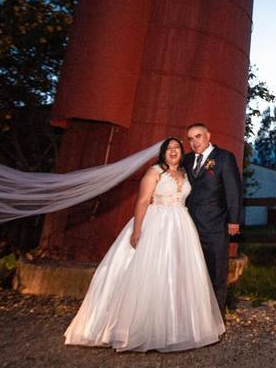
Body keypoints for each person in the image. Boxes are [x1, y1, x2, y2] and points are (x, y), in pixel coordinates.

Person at [64, 137, 224, 352]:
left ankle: (177, 329)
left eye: (177, 148)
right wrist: (137, 230)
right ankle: (136, 330)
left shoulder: (185, 173)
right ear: (162, 153)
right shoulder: (154, 172)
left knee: (178, 275)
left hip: (181, 225)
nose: (173, 151)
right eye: (169, 149)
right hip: (157, 222)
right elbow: (142, 201)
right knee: (151, 272)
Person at [183, 122, 243, 316]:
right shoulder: (187, 159)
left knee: (217, 273)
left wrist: (234, 220)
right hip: (189, 226)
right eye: (190, 139)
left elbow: (233, 191)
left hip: (215, 226)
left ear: (208, 135)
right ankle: (196, 318)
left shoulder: (224, 158)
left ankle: (217, 321)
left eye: (198, 136)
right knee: (192, 273)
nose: (194, 142)